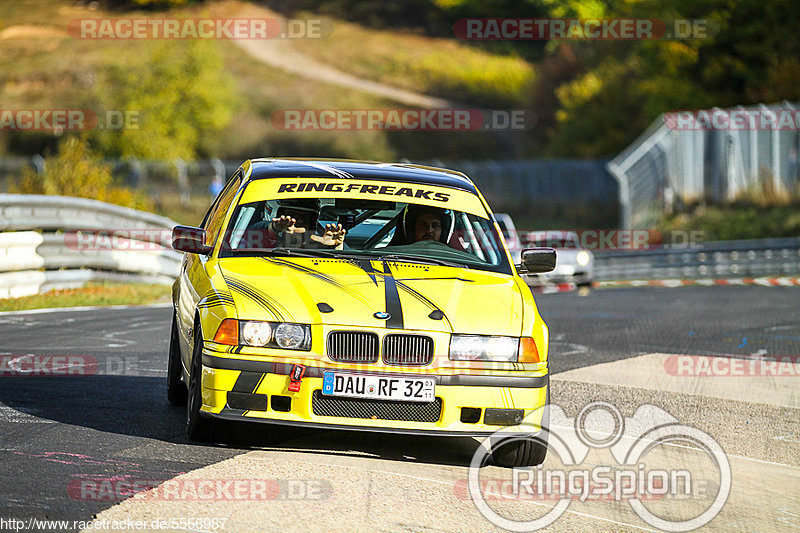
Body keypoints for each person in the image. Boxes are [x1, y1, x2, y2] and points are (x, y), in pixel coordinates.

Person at [248, 199, 346, 249]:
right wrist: (273, 228)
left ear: (313, 222)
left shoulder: (320, 241)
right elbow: (247, 236)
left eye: (305, 217)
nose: (298, 221)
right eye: (292, 216)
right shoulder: (259, 239)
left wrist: (334, 247)